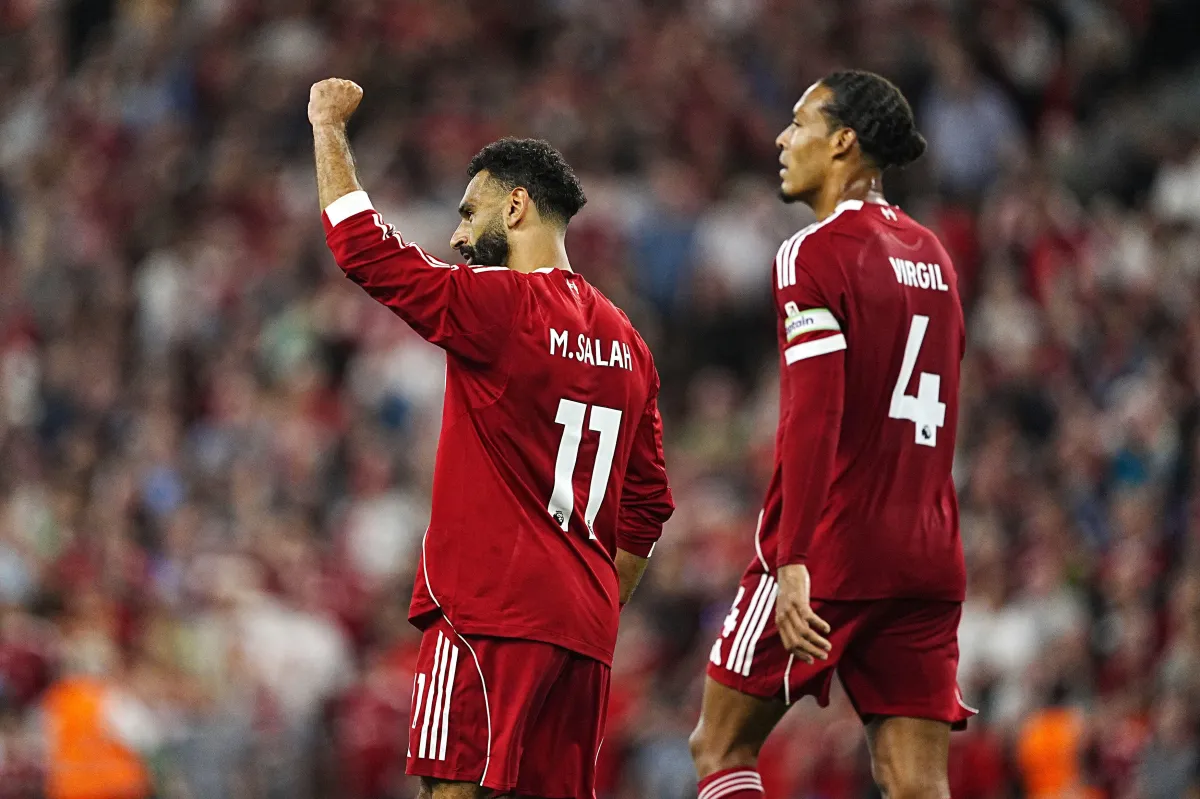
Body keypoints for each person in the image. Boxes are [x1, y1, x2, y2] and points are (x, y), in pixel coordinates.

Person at [308, 79, 675, 799]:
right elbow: (650, 507)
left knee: (451, 790)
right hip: (583, 636)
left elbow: (362, 250)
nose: (456, 236)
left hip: (488, 616)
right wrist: (589, 595)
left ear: (516, 205)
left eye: (468, 212)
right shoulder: (632, 346)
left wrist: (326, 126)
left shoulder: (503, 307)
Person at [689, 70, 974, 799]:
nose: (783, 139)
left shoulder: (812, 254)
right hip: (931, 552)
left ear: (843, 141)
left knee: (720, 744)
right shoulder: (936, 258)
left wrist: (794, 560)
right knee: (916, 782)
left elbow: (812, 418)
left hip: (836, 548)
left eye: (799, 123)